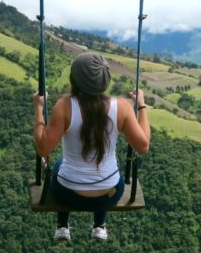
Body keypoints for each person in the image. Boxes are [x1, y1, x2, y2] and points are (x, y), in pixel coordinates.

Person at [32, 52, 150, 241]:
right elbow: (143, 146)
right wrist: (142, 107)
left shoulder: (64, 106)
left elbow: (43, 149)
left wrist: (38, 110)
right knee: (106, 169)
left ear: (74, 79)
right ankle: (99, 226)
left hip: (67, 194)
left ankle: (62, 226)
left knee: (61, 163)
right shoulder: (122, 107)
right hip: (109, 194)